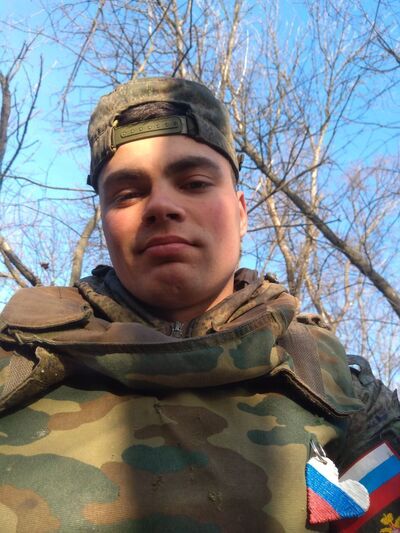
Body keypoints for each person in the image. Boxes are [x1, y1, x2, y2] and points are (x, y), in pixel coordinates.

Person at [0, 77, 398, 533]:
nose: (160, 205)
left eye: (194, 182)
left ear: (242, 212)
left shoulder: (338, 393)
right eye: (127, 193)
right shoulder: (16, 366)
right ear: (105, 222)